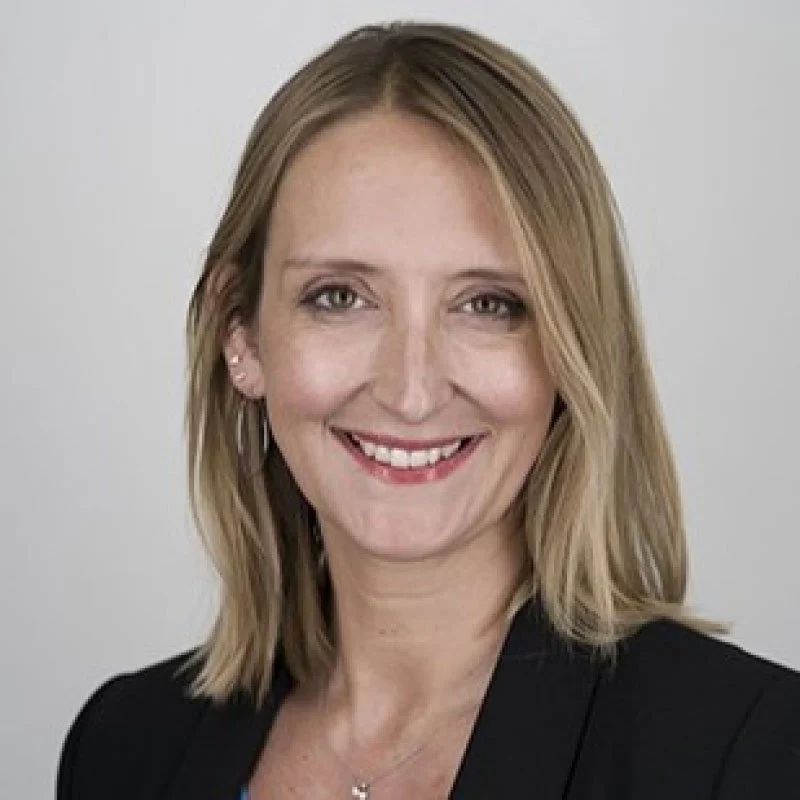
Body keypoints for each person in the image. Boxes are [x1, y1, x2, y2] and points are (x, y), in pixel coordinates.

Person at [57, 21, 800, 800]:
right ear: (238, 332)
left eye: (488, 304)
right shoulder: (124, 747)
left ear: (572, 347)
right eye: (339, 297)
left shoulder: (749, 756)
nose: (411, 390)